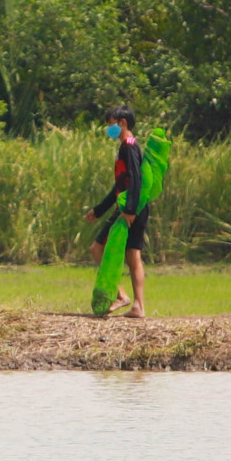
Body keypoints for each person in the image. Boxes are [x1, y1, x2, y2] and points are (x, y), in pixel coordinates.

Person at [86, 104, 148, 318]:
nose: (108, 129)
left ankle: (122, 296)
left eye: (111, 124)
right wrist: (99, 209)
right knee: (132, 255)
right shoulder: (127, 146)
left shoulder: (128, 146)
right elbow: (120, 185)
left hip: (130, 208)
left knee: (97, 248)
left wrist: (130, 209)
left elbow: (135, 178)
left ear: (122, 123)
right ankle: (137, 305)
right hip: (132, 205)